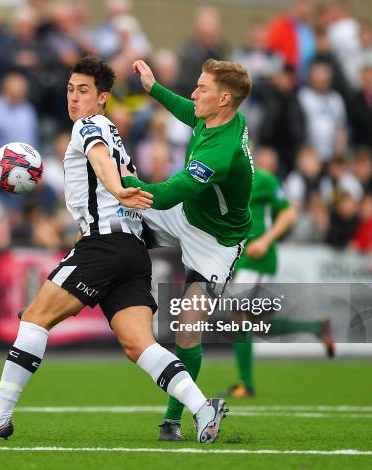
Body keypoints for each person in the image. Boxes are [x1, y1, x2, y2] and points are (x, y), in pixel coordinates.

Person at [0, 56, 228, 444]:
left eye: (83, 91)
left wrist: (115, 189)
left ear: (102, 99)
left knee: (34, 319)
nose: (74, 99)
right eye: (70, 90)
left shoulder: (89, 125)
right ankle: (203, 407)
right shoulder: (111, 130)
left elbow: (98, 161)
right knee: (139, 345)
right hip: (131, 250)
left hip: (105, 246)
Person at [123, 58, 252, 441]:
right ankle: (70, 282)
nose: (194, 94)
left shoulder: (219, 153)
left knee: (186, 332)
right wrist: (153, 88)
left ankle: (173, 420)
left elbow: (161, 197)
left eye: (202, 88)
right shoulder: (217, 115)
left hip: (216, 244)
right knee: (112, 219)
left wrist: (115, 176)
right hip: (188, 216)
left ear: (223, 99)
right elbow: (188, 110)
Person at [221, 158, 334, 399]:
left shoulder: (264, 179)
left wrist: (265, 239)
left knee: (237, 313)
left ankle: (246, 384)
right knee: (253, 322)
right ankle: (316, 327)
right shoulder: (224, 180)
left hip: (258, 255)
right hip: (240, 256)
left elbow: (290, 213)